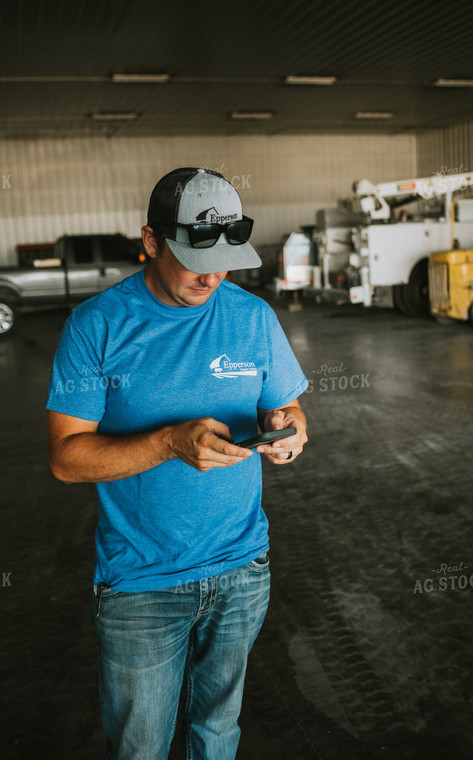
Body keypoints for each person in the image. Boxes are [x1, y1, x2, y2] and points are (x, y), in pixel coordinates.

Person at [46, 166, 308, 760]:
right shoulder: (97, 327)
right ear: (150, 240)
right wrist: (167, 443)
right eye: (194, 256)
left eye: (225, 258)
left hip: (243, 567)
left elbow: (285, 405)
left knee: (218, 733)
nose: (213, 275)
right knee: (140, 746)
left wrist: (290, 429)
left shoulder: (253, 317)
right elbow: (65, 459)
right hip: (142, 582)